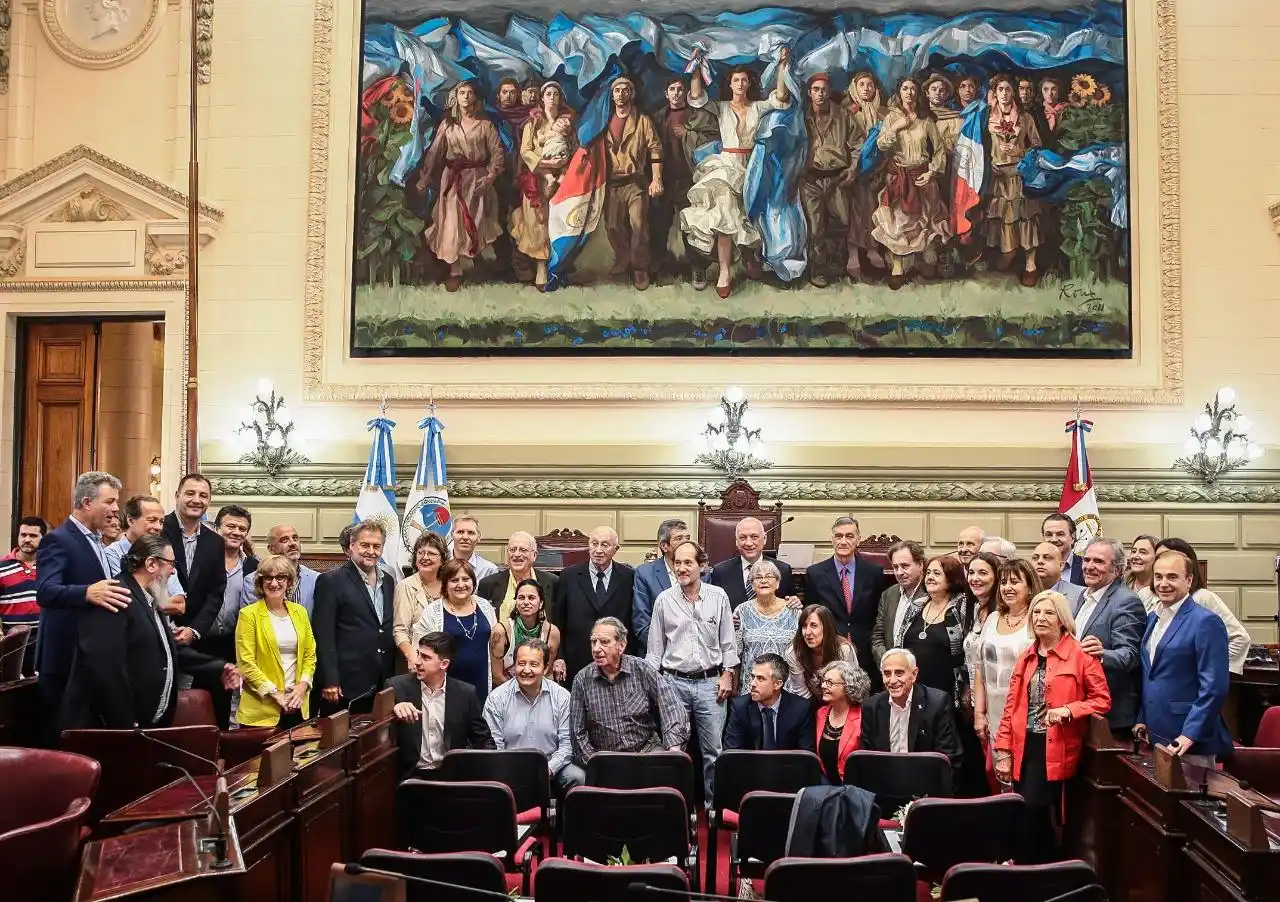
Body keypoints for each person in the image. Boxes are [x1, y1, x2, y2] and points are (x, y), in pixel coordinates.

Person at [61, 535, 240, 730]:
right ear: (151, 564)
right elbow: (105, 668)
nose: (173, 572)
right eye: (171, 564)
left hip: (139, 728)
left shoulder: (149, 598)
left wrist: (218, 667)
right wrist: (124, 722)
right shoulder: (116, 596)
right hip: (110, 731)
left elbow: (168, 649)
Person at [993, 590, 1111, 862]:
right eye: (1036, 612)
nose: (1041, 618)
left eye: (1048, 613)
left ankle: (1035, 866)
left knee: (1036, 809)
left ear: (1062, 619)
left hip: (1055, 746)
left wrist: (1069, 710)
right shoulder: (1027, 655)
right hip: (1025, 744)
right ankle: (1031, 868)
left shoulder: (1080, 654)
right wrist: (1003, 751)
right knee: (1024, 808)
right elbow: (1012, 706)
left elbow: (1102, 701)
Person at [681, 48, 792, 298]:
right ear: (729, 84)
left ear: (749, 83)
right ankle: (724, 271)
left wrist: (783, 66)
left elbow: (782, 97)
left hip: (753, 164)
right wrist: (697, 67)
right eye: (736, 80)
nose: (741, 84)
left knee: (752, 215)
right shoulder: (720, 107)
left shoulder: (758, 106)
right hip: (727, 165)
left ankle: (752, 258)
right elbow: (697, 96)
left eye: (744, 80)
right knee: (724, 216)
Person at [35, 471, 131, 743]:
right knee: (59, 739)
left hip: (89, 658)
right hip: (64, 660)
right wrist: (86, 592)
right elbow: (45, 591)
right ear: (87, 502)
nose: (115, 509)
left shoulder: (98, 541)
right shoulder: (59, 539)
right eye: (110, 501)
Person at [647, 540, 737, 800]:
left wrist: (728, 674)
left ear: (702, 566)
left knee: (714, 753)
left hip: (711, 683)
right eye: (678, 563)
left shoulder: (718, 596)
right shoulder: (664, 600)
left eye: (688, 562)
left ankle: (712, 810)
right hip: (673, 683)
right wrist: (654, 687)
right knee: (673, 751)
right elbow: (655, 650)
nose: (682, 568)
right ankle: (674, 806)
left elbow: (728, 642)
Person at [1135, 551, 1232, 765]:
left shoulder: (1205, 622)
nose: (1163, 583)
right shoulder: (1153, 618)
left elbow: (1214, 687)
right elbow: (1150, 675)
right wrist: (1142, 718)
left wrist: (1189, 734)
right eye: (1158, 576)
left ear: (1189, 580)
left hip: (1189, 740)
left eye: (1172, 577)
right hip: (1156, 735)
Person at [419, 81, 504, 292]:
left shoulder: (485, 125)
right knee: (451, 222)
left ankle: (477, 262)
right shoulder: (448, 125)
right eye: (461, 93)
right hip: (452, 180)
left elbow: (497, 153)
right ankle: (454, 269)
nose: (465, 96)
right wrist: (426, 176)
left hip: (477, 179)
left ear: (475, 97)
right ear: (455, 97)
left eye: (469, 93)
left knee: (477, 221)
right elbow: (435, 153)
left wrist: (491, 175)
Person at [570, 617, 689, 764]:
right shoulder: (582, 680)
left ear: (621, 645)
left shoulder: (642, 669)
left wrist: (673, 747)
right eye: (594, 642)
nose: (596, 648)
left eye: (604, 642)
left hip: (646, 750)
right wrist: (595, 762)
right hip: (605, 758)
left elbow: (672, 707)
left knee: (668, 770)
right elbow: (577, 733)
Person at [872, 75, 951, 289]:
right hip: (899, 177)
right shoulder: (891, 118)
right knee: (897, 222)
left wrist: (932, 172)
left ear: (918, 93)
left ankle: (920, 263)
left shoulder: (926, 120)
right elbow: (881, 145)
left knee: (924, 221)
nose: (909, 93)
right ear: (899, 93)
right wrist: (896, 127)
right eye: (905, 89)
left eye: (913, 89)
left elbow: (939, 150)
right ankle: (897, 267)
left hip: (922, 177)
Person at [313, 521, 396, 711]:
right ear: (352, 546)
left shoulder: (389, 581)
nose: (371, 551)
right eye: (365, 545)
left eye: (376, 546)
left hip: (382, 681)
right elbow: (323, 635)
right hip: (345, 684)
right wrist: (330, 679)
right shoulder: (331, 581)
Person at [484, 638, 585, 793]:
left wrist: (549, 769)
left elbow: (567, 745)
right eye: (521, 663)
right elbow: (493, 745)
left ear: (545, 669)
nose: (526, 670)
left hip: (552, 767)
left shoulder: (562, 697)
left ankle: (565, 818)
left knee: (577, 777)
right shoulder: (497, 698)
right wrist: (510, 771)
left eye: (534, 664)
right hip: (509, 768)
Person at [389, 631, 494, 779]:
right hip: (409, 777)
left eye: (425, 657)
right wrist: (393, 711)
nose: (417, 661)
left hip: (451, 778)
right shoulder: (396, 687)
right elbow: (376, 728)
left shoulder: (465, 693)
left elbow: (483, 740)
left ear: (444, 664)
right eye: (418, 654)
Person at [860, 649, 963, 788]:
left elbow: (947, 757)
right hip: (885, 788)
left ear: (914, 674)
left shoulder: (937, 703)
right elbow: (867, 758)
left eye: (899, 673)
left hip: (926, 788)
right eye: (887, 673)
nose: (892, 680)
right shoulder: (871, 706)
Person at [649, 76, 717, 287]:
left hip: (690, 179)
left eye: (680, 89)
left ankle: (697, 268)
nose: (677, 93)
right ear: (666, 93)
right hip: (665, 179)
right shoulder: (658, 117)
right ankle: (659, 266)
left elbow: (712, 140)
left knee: (693, 225)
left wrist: (688, 134)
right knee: (659, 224)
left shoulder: (695, 116)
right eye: (672, 89)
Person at [235, 554, 316, 729]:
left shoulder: (299, 612)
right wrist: (276, 695)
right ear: (260, 582)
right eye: (268, 578)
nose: (274, 583)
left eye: (280, 577)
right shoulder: (248, 615)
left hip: (297, 705)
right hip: (261, 712)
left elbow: (310, 656)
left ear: (289, 581)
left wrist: (301, 687)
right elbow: (246, 663)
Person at [1074, 538, 1145, 734]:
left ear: (1118, 569)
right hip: (1083, 706)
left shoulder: (1126, 601)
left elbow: (1131, 655)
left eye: (1098, 561)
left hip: (1111, 716)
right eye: (1087, 560)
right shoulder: (1084, 596)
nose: (1089, 566)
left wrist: (1102, 653)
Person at [800, 72, 864, 287]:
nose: (820, 94)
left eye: (824, 90)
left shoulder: (844, 116)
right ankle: (817, 269)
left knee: (841, 223)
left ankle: (836, 265)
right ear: (809, 93)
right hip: (810, 180)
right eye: (816, 90)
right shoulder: (801, 117)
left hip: (838, 178)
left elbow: (858, 144)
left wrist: (853, 168)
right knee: (815, 227)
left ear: (830, 92)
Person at [601, 75, 664, 291]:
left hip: (636, 183)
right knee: (612, 225)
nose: (621, 94)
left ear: (631, 94)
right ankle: (623, 256)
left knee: (638, 226)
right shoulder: (604, 121)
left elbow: (655, 149)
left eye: (625, 90)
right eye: (617, 90)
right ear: (612, 95)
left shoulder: (642, 121)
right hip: (612, 184)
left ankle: (639, 268)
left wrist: (656, 178)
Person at [804, 516, 888, 678]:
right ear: (832, 539)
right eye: (838, 536)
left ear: (858, 540)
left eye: (849, 536)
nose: (843, 541)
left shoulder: (874, 573)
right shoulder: (815, 573)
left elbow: (879, 614)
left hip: (866, 650)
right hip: (829, 650)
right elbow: (811, 614)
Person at [1152, 538, 1250, 674]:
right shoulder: (1153, 600)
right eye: (1159, 557)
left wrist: (1214, 671)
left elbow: (1240, 638)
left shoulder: (1202, 597)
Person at [982, 73, 1045, 287]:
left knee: (1026, 218)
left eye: (1008, 89)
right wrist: (987, 161)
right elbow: (981, 145)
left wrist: (1021, 150)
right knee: (1005, 219)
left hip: (1019, 175)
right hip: (999, 177)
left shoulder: (1025, 118)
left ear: (1014, 92)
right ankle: (1007, 255)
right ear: (994, 92)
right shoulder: (986, 117)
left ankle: (1030, 265)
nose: (1005, 93)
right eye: (1000, 89)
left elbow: (1037, 146)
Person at [551, 526, 636, 684]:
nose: (598, 550)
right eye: (594, 543)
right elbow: (558, 621)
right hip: (576, 662)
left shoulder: (629, 577)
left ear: (615, 549)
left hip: (617, 662)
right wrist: (559, 657)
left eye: (605, 545)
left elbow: (633, 621)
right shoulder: (568, 576)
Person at [511, 81, 574, 288]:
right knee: (539, 222)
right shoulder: (533, 123)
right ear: (542, 98)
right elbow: (525, 151)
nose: (552, 97)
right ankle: (540, 267)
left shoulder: (567, 123)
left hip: (563, 179)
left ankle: (558, 265)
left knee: (559, 223)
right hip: (537, 178)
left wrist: (564, 167)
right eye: (548, 94)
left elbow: (575, 148)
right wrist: (546, 164)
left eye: (556, 94)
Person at [411, 558, 498, 703]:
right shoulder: (432, 611)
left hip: (481, 682)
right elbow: (418, 651)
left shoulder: (485, 607)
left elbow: (495, 645)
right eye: (454, 580)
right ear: (445, 584)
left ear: (473, 582)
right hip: (445, 686)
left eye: (466, 579)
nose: (461, 585)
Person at [972, 558, 1037, 752]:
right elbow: (979, 669)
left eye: (1015, 582)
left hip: (1028, 713)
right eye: (1003, 582)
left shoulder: (1039, 619)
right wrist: (979, 714)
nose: (1007, 587)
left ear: (1030, 587)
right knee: (998, 775)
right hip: (993, 711)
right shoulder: (993, 618)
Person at [162, 474, 227, 650]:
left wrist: (194, 630)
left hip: (197, 640)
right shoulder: (157, 530)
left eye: (203, 495)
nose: (196, 500)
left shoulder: (216, 542)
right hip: (157, 632)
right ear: (177, 495)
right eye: (190, 493)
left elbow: (216, 591)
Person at [895, 555, 967, 702]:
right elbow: (899, 643)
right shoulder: (916, 605)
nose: (930, 577)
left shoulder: (962, 606)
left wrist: (966, 686)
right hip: (913, 688)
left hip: (947, 689)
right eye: (928, 573)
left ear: (952, 577)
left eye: (937, 573)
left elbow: (969, 651)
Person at [843, 70, 889, 280]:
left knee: (874, 209)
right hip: (854, 170)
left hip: (876, 171)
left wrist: (880, 169)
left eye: (870, 85)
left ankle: (872, 248)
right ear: (854, 88)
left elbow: (889, 144)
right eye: (862, 85)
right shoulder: (848, 112)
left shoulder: (884, 114)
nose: (866, 89)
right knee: (854, 211)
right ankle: (853, 253)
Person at [732, 559, 800, 695]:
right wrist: (734, 690)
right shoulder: (741, 611)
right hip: (751, 688)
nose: (764, 580)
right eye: (758, 577)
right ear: (751, 585)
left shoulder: (794, 611)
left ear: (778, 583)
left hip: (786, 688)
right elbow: (735, 655)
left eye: (769, 576)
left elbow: (802, 653)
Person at [724, 653, 815, 752]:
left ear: (777, 684)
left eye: (760, 678)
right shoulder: (740, 707)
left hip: (787, 766)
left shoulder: (800, 709)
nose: (752, 683)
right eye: (752, 677)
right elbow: (731, 753)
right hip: (750, 766)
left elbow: (806, 756)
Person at [205, 505, 258, 666]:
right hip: (199, 645)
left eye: (242, 528)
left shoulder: (254, 566)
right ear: (217, 528)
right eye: (230, 526)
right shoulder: (201, 561)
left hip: (235, 648)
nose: (236, 532)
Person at [710, 516, 796, 608]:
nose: (748, 543)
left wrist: (794, 602)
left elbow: (790, 604)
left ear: (765, 538)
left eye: (754, 537)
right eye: (743, 538)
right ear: (736, 541)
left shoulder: (783, 570)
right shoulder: (720, 572)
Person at [393, 531, 447, 673]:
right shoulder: (405, 586)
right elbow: (400, 630)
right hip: (415, 664)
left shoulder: (449, 585)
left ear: (442, 559)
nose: (425, 557)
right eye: (420, 553)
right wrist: (413, 658)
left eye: (431, 553)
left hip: (445, 662)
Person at [633, 518, 691, 648]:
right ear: (664, 546)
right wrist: (671, 651)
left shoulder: (702, 573)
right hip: (659, 654)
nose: (686, 543)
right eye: (679, 538)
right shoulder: (645, 574)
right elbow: (642, 624)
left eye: (687, 538)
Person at [477, 531, 558, 624]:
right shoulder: (488, 584)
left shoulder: (552, 582)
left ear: (534, 555)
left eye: (523, 550)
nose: (517, 554)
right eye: (512, 550)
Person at [871, 540, 928, 670]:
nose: (899, 572)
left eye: (905, 566)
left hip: (920, 673)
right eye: (895, 567)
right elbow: (878, 636)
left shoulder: (931, 594)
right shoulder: (888, 595)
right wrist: (887, 663)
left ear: (920, 565)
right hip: (891, 675)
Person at [492, 579, 561, 684]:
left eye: (531, 598)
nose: (526, 602)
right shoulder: (500, 631)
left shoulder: (552, 633)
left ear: (541, 603)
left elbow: (546, 671)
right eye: (521, 598)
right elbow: (497, 675)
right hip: (506, 692)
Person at [1, 517, 48, 670]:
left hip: (43, 640)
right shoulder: (2, 567)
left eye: (33, 536)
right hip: (11, 642)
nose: (27, 539)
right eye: (23, 535)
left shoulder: (51, 566)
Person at [243, 524, 319, 617]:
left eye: (295, 538)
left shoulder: (316, 578)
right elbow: (252, 618)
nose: (292, 543)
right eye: (284, 540)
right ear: (271, 549)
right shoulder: (253, 580)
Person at [785, 603, 858, 701]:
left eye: (814, 626)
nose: (807, 633)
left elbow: (852, 686)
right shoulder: (794, 652)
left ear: (827, 628)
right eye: (804, 626)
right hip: (809, 702)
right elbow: (800, 691)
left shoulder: (843, 649)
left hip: (841, 701)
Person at [815, 660, 871, 785]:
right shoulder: (821, 713)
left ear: (848, 686)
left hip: (854, 788)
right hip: (825, 787)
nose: (823, 686)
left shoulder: (864, 716)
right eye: (824, 681)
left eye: (830, 682)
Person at [1031, 541, 1084, 607]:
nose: (1040, 561)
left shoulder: (1080, 594)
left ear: (1061, 565)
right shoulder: (1023, 593)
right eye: (1035, 558)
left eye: (1047, 557)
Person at [449, 516, 498, 581]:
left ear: (479, 537)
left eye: (471, 533)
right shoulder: (440, 565)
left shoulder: (489, 570)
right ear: (452, 535)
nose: (465, 537)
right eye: (460, 532)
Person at [1042, 514, 1084, 585]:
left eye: (1060, 534)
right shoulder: (1035, 569)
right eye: (1049, 535)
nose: (1054, 539)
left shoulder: (1085, 566)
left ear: (1072, 538)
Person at [1125, 534, 1159, 603]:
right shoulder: (1120, 583)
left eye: (1143, 552)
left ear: (1157, 557)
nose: (1135, 556)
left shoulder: (1162, 588)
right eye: (1134, 551)